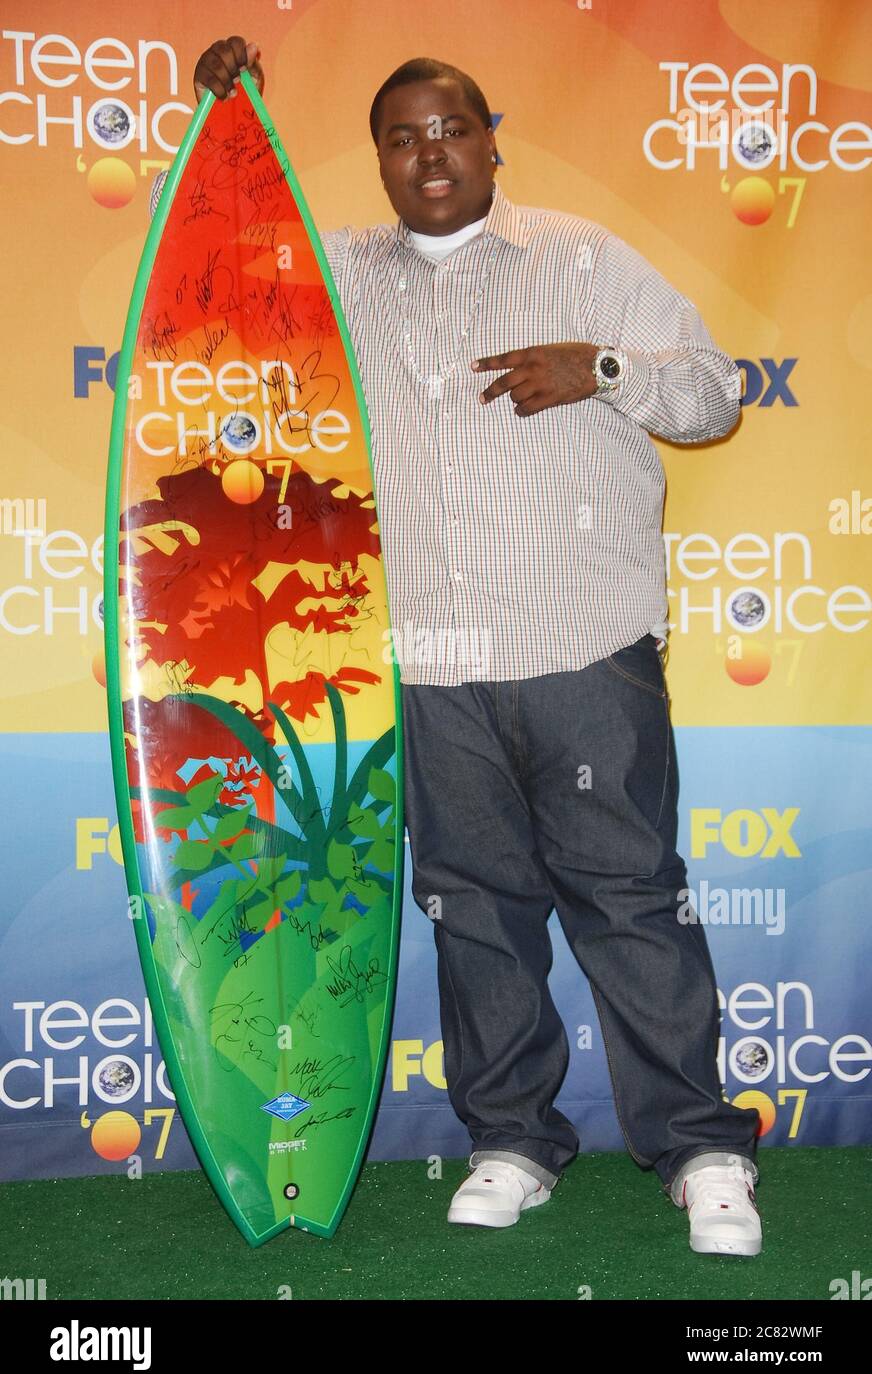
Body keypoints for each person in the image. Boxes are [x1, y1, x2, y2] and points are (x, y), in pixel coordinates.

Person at [193, 36, 762, 1256]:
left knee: (629, 900)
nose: (426, 153)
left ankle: (702, 1149)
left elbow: (713, 392)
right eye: (399, 137)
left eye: (448, 128)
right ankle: (510, 1141)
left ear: (490, 137)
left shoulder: (578, 255)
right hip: (431, 667)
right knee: (474, 912)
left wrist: (601, 368)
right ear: (382, 161)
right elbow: (222, 272)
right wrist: (228, 114)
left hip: (582, 647)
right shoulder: (338, 271)